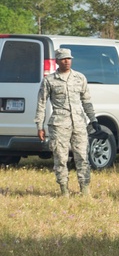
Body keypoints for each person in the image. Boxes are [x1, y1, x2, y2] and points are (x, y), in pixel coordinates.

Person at [35, 48, 99, 196]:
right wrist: (39, 126)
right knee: (60, 158)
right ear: (57, 61)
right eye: (63, 59)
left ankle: (85, 190)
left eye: (69, 58)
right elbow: (41, 104)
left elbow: (86, 101)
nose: (67, 61)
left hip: (79, 123)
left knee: (82, 156)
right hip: (59, 125)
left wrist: (93, 119)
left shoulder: (79, 78)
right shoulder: (49, 81)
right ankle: (64, 190)